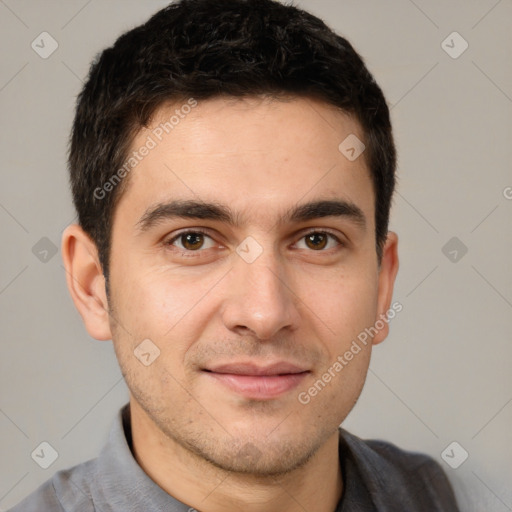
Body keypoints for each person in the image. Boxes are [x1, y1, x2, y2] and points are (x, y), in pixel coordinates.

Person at [9, 0, 460, 510]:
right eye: (192, 240)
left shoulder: (443, 497)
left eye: (317, 240)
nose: (264, 313)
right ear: (93, 286)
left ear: (381, 285)